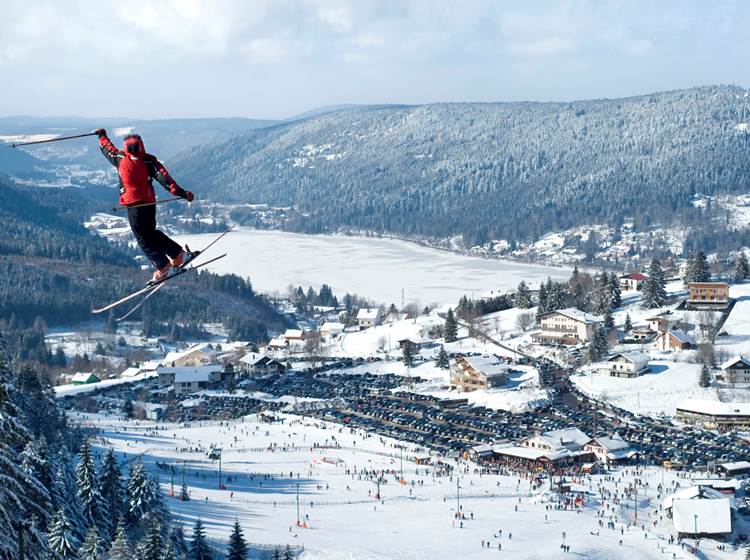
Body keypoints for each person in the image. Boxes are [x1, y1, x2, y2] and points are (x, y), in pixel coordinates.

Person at [95, 128, 194, 283]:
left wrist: (102, 136)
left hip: (134, 205)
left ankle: (163, 266)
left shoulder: (120, 158)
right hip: (149, 202)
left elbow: (108, 149)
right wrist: (182, 193)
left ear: (126, 147)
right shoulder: (149, 160)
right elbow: (166, 180)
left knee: (143, 238)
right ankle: (177, 254)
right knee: (151, 232)